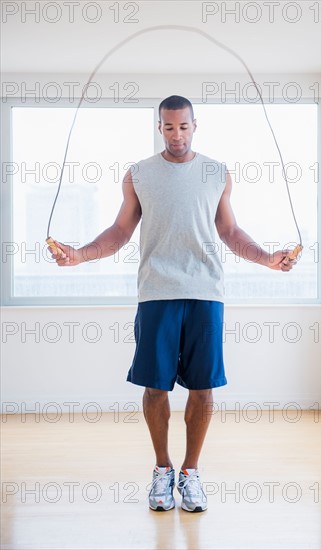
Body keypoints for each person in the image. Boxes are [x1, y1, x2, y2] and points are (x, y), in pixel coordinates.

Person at [49, 95, 296, 513]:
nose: (176, 134)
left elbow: (230, 230)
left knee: (203, 386)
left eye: (183, 126)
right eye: (168, 127)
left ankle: (191, 473)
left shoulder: (216, 172)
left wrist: (266, 258)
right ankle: (162, 470)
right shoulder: (139, 174)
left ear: (195, 125)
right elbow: (120, 231)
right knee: (155, 384)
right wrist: (80, 254)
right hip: (157, 292)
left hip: (205, 292)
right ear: (159, 127)